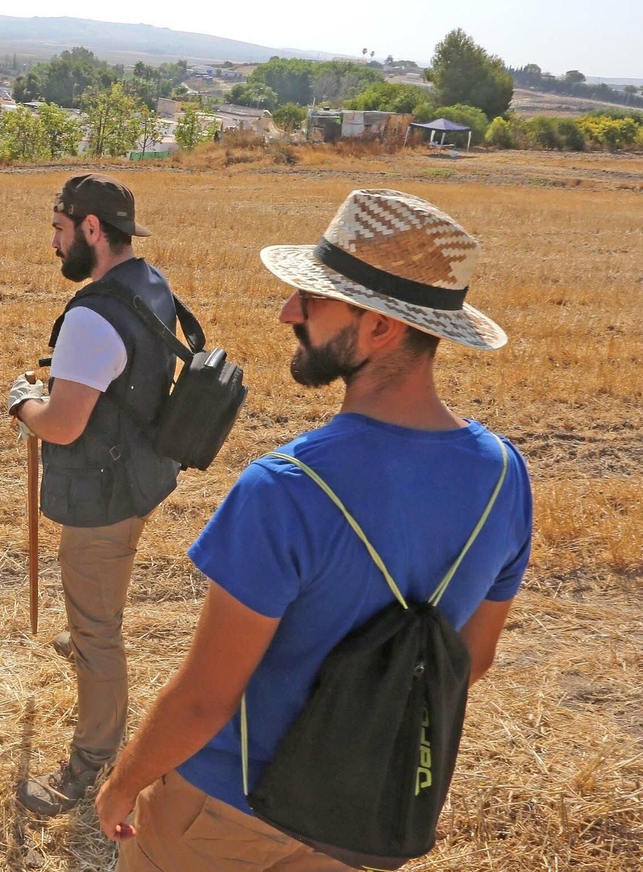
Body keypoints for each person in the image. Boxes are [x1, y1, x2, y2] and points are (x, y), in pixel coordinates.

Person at [93, 188, 533, 871]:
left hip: (220, 817)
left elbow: (205, 700)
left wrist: (122, 782)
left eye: (314, 299)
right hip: (352, 825)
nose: (287, 311)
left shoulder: (285, 488)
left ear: (382, 327)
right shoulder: (507, 479)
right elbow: (471, 659)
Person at [7, 173, 187, 817]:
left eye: (60, 230)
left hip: (103, 497)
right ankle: (91, 647)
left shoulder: (90, 315)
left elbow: (61, 424)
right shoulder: (150, 282)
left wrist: (23, 403)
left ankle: (91, 759)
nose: (54, 245)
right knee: (100, 603)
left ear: (91, 229)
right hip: (139, 480)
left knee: (98, 629)